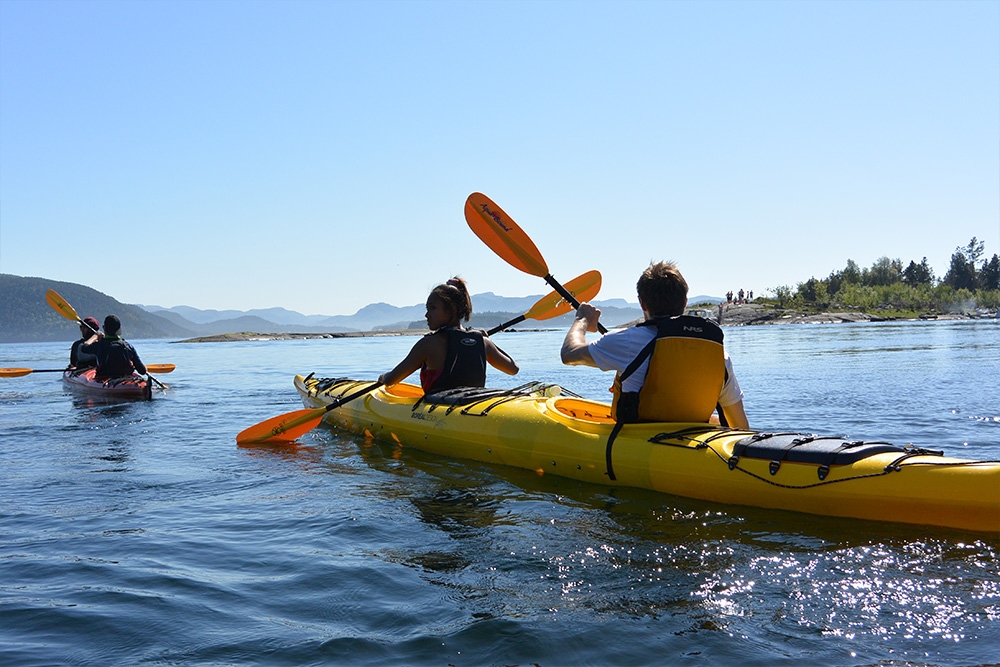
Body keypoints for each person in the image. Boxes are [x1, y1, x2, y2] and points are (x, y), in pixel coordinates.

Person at [561, 261, 749, 429]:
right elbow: (739, 426)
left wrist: (582, 319)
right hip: (694, 447)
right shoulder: (718, 354)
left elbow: (569, 354)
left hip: (641, 445)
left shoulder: (625, 341)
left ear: (642, 303)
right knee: (715, 420)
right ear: (684, 302)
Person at [378, 277, 519, 393]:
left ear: (452, 309)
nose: (427, 315)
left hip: (440, 409)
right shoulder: (482, 342)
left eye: (432, 308)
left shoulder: (428, 345)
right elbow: (513, 369)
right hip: (473, 406)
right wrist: (486, 341)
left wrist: (383, 377)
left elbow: (391, 380)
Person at [79, 315, 147, 378]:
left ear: (104, 328)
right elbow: (142, 371)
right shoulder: (128, 346)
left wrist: (95, 336)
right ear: (119, 329)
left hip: (104, 378)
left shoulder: (99, 345)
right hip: (125, 379)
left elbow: (84, 348)